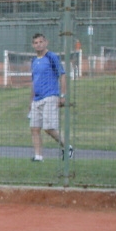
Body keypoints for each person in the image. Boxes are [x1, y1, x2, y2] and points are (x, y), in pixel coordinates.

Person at [28, 33, 69, 161]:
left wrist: (62, 95)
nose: (38, 44)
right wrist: (31, 100)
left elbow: (62, 75)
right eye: (36, 42)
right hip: (37, 99)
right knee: (34, 128)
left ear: (46, 42)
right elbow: (34, 81)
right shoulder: (34, 61)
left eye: (41, 42)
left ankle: (67, 147)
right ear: (33, 45)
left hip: (50, 96)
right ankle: (38, 156)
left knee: (49, 128)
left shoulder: (51, 57)